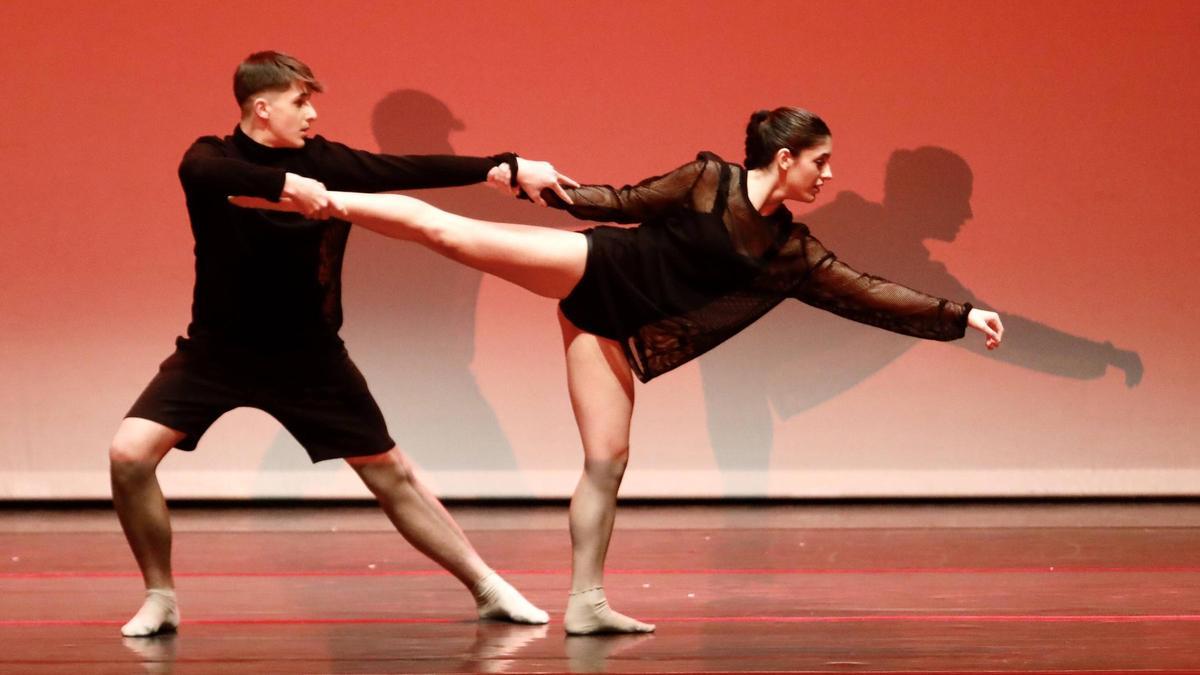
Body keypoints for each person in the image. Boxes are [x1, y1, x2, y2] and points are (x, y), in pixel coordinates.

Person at [233, 106, 1005, 634]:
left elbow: (864, 293)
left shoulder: (790, 249)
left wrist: (957, 315)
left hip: (612, 329)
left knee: (607, 460)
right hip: (591, 269)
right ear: (784, 158)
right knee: (452, 234)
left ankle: (587, 602)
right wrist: (553, 189)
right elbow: (627, 199)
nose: (828, 176)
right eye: (821, 163)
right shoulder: (710, 179)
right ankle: (322, 200)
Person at [111, 50, 576, 637]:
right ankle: (161, 597)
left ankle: (489, 587)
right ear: (262, 106)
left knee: (390, 474)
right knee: (129, 456)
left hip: (310, 358)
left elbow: (401, 170)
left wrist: (501, 166)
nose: (310, 114)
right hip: (215, 354)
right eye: (300, 102)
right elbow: (202, 175)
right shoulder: (212, 157)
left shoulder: (325, 160)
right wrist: (285, 184)